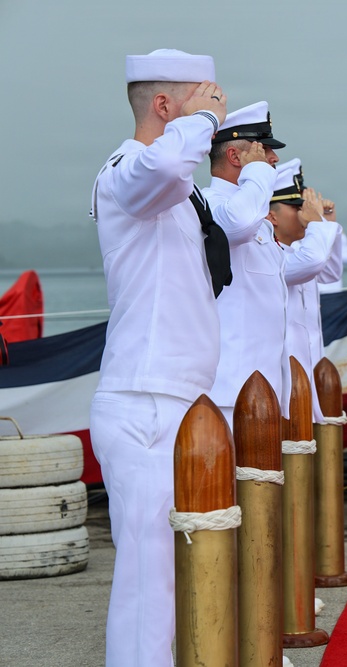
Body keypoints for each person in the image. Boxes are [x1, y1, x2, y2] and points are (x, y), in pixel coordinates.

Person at [88, 49, 227, 666]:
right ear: (166, 107)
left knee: (174, 574)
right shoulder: (128, 169)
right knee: (148, 581)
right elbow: (167, 159)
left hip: (178, 396)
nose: (214, 121)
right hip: (146, 400)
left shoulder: (172, 185)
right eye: (205, 104)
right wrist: (200, 123)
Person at [202, 101, 287, 424]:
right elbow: (236, 225)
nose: (274, 159)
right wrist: (258, 174)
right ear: (236, 157)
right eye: (265, 150)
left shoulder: (255, 215)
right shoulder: (211, 205)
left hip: (262, 391)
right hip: (229, 392)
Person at [268, 158, 343, 419]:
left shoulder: (299, 251)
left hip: (306, 377)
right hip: (281, 385)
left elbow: (331, 273)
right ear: (271, 215)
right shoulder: (267, 254)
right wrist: (317, 225)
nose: (303, 213)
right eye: (296, 206)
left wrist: (327, 221)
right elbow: (312, 263)